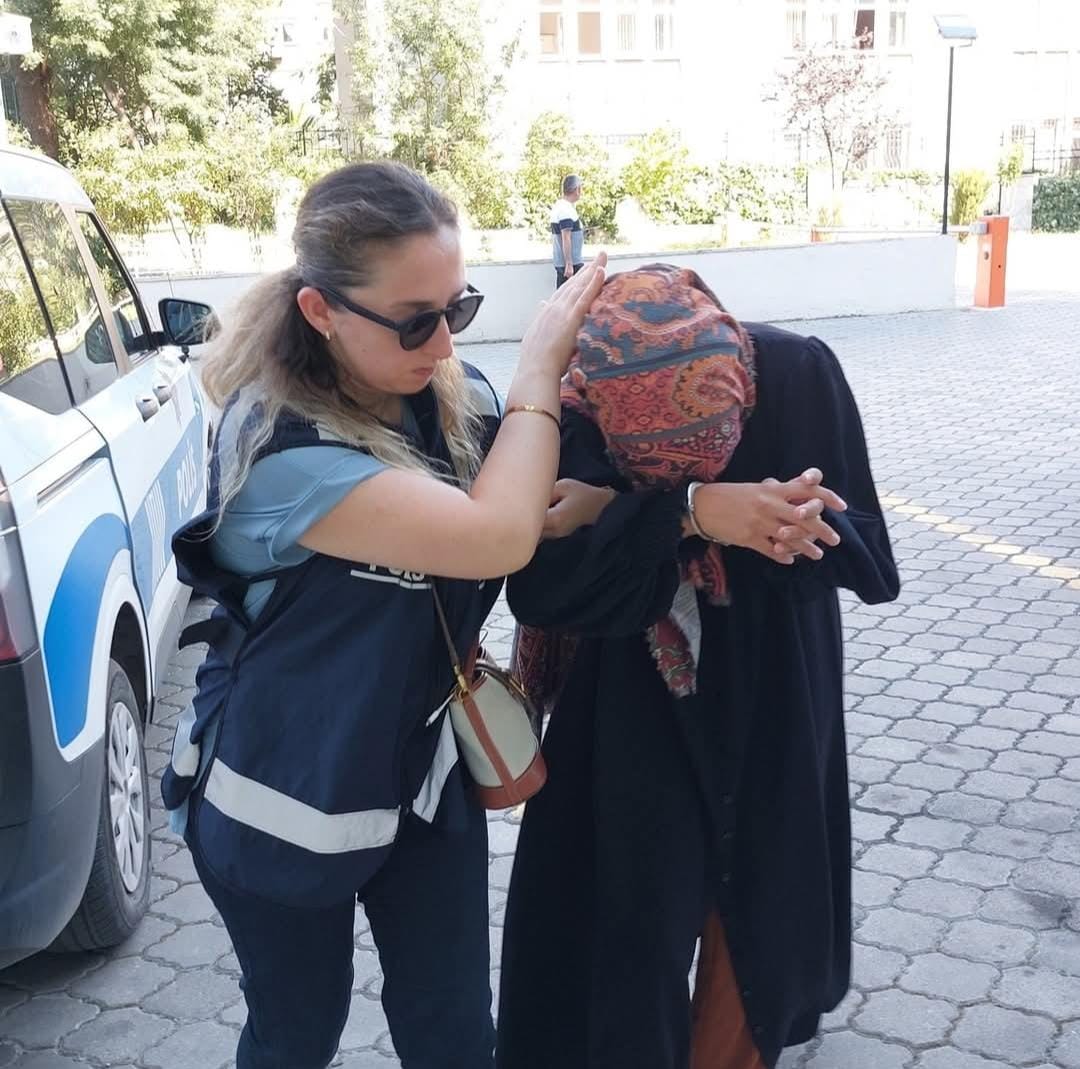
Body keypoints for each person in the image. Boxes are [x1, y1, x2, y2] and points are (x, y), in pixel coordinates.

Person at [159, 161, 608, 1069]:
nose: (442, 345)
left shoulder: (449, 397)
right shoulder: (282, 449)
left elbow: (549, 483)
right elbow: (495, 534)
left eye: (458, 309)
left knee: (455, 1034)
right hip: (286, 790)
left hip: (421, 779)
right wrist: (539, 370)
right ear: (320, 310)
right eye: (413, 320)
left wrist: (682, 507)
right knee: (297, 1031)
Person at [497, 265, 900, 1069]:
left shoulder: (795, 373)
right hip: (627, 706)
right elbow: (548, 589)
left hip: (772, 688)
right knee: (629, 942)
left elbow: (869, 560)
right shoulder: (584, 404)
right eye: (645, 464)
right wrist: (688, 514)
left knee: (755, 933)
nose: (682, 472)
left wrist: (773, 523)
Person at [551, 174, 585, 288]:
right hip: (570, 266)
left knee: (563, 295)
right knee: (569, 296)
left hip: (566, 264)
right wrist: (569, 264)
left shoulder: (561, 206)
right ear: (577, 189)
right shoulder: (565, 210)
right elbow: (566, 237)